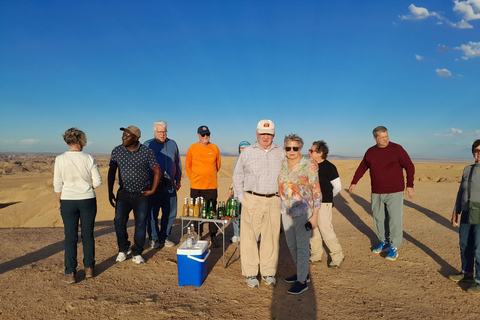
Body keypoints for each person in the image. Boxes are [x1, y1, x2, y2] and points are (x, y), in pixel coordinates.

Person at [349, 126, 415, 261]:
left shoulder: (397, 149)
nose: (386, 139)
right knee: (379, 218)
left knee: (395, 219)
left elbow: (409, 166)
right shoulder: (371, 152)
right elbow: (363, 167)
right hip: (377, 191)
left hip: (394, 191)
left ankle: (394, 247)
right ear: (375, 138)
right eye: (382, 137)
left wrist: (410, 185)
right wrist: (354, 181)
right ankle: (384, 242)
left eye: (387, 136)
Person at [232, 120, 285, 288]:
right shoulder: (247, 152)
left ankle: (269, 272)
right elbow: (237, 175)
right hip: (252, 199)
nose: (265, 137)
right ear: (256, 134)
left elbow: (292, 170)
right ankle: (251, 273)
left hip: (274, 200)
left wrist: (312, 163)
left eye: (268, 134)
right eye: (262, 134)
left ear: (274, 135)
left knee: (271, 238)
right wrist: (242, 198)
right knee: (249, 238)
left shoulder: (281, 152)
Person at [53, 128, 102, 284]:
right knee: (88, 235)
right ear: (81, 141)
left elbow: (57, 183)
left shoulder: (60, 159)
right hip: (87, 199)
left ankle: (70, 272)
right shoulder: (88, 158)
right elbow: (98, 181)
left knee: (70, 237)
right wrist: (87, 188)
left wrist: (59, 201)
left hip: (68, 200)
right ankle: (89, 269)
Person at [108, 125, 161, 264]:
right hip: (123, 193)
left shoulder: (146, 152)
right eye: (123, 135)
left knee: (140, 224)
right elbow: (112, 171)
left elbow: (157, 171)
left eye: (127, 135)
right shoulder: (117, 151)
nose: (123, 137)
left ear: (136, 138)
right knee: (119, 222)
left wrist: (153, 190)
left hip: (141, 194)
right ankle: (123, 249)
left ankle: (137, 251)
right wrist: (109, 192)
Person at [278, 134, 322, 295]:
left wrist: (315, 216)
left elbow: (317, 192)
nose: (291, 151)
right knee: (291, 244)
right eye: (288, 148)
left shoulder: (308, 165)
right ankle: (301, 272)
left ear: (300, 149)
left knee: (302, 246)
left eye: (295, 148)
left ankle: (302, 281)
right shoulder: (282, 164)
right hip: (286, 211)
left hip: (303, 211)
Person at [144, 121, 182, 248]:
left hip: (169, 185)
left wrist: (178, 179)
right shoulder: (147, 145)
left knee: (170, 212)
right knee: (152, 213)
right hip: (153, 185)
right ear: (155, 132)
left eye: (164, 132)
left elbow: (177, 163)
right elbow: (143, 165)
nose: (162, 134)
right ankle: (154, 238)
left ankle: (165, 237)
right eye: (159, 132)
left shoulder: (172, 144)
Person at [449, 139, 480, 294]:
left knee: (479, 247)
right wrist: (456, 211)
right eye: (475, 150)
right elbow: (461, 192)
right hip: (467, 212)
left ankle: (479, 281)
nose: (478, 153)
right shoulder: (467, 169)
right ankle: (467, 273)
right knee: (464, 243)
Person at [308, 140, 345, 268]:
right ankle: (316, 254)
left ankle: (337, 255)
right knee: (313, 228)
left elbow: (337, 187)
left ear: (320, 153)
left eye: (312, 150)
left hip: (324, 203)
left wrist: (328, 198)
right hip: (311, 203)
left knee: (325, 228)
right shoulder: (309, 166)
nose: (309, 152)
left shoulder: (329, 167)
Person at [185, 125, 221, 247]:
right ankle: (199, 234)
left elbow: (217, 165)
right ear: (198, 135)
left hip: (211, 186)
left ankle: (213, 235)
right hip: (196, 186)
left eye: (207, 134)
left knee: (211, 211)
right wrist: (194, 178)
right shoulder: (192, 148)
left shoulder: (214, 148)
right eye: (203, 135)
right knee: (197, 212)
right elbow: (188, 166)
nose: (206, 137)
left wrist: (208, 175)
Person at [227, 141, 250, 243]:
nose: (243, 149)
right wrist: (231, 188)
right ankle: (237, 234)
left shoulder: (253, 161)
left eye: (246, 147)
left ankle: (254, 235)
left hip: (249, 192)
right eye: (241, 148)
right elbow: (235, 176)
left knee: (250, 214)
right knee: (236, 212)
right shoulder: (237, 161)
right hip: (237, 191)